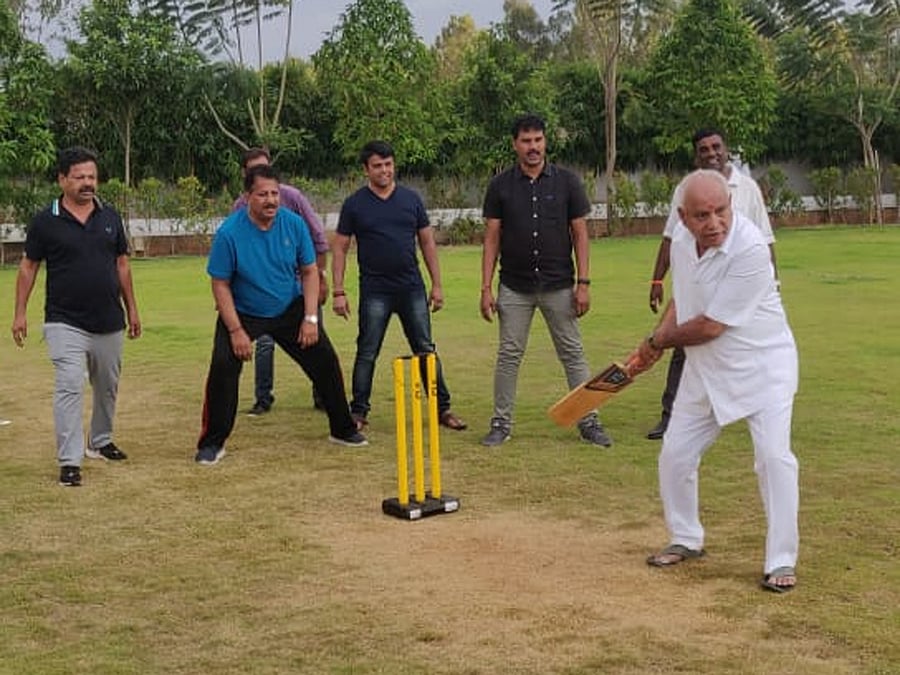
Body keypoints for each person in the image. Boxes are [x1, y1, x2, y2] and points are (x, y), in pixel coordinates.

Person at [635, 170, 799, 593]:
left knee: (773, 458)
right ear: (683, 217)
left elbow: (710, 326)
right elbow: (683, 299)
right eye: (702, 215)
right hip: (706, 369)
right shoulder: (685, 246)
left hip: (764, 367)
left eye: (721, 211)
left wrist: (658, 341)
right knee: (675, 454)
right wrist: (655, 340)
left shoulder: (750, 250)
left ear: (731, 204)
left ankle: (781, 559)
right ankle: (686, 538)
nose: (714, 223)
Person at [195, 164, 366, 465]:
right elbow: (220, 284)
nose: (271, 200)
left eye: (275, 193)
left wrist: (310, 318)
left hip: (289, 308)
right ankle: (212, 443)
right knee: (223, 367)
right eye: (263, 194)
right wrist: (236, 331)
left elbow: (310, 271)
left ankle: (343, 428)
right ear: (248, 196)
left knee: (325, 360)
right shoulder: (229, 233)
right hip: (244, 312)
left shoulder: (294, 224)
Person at [12, 147, 142, 487]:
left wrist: (132, 309)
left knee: (107, 385)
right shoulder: (45, 220)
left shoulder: (111, 217)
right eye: (80, 177)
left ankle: (100, 440)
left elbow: (123, 266)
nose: (87, 183)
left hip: (109, 320)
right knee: (69, 386)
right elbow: (28, 267)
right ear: (62, 179)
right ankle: (70, 461)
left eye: (92, 177)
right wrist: (20, 313)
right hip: (64, 320)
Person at [479, 113, 611, 448]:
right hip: (514, 286)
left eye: (538, 140)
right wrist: (485, 288)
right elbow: (491, 238)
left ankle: (589, 421)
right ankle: (500, 423)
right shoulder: (500, 186)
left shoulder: (567, 182)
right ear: (515, 145)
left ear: (545, 141)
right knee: (509, 354)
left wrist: (585, 283)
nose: (533, 147)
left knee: (573, 353)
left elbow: (580, 234)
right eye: (526, 141)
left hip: (559, 285)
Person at [646, 128, 778, 440]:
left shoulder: (746, 189)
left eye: (716, 146)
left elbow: (766, 238)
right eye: (703, 149)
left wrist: (774, 281)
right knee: (684, 347)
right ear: (697, 155)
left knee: (746, 348)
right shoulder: (687, 189)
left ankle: (757, 413)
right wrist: (657, 278)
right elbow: (671, 237)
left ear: (726, 148)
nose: (711, 153)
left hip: (740, 285)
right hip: (701, 281)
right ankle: (670, 417)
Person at [331, 140, 465, 431]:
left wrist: (437, 285)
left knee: (425, 349)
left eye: (388, 164)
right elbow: (339, 248)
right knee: (367, 351)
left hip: (411, 288)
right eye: (377, 165)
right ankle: (358, 412)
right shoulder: (354, 204)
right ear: (366, 169)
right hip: (374, 290)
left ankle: (442, 409)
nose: (384, 170)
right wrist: (338, 291)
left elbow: (427, 241)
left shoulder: (411, 199)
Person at [232, 148, 331, 416]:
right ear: (246, 177)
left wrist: (321, 277)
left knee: (314, 340)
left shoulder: (292, 198)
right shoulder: (240, 209)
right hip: (262, 292)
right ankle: (263, 398)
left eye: (265, 168)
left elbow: (319, 238)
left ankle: (323, 396)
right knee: (264, 343)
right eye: (254, 171)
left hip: (300, 288)